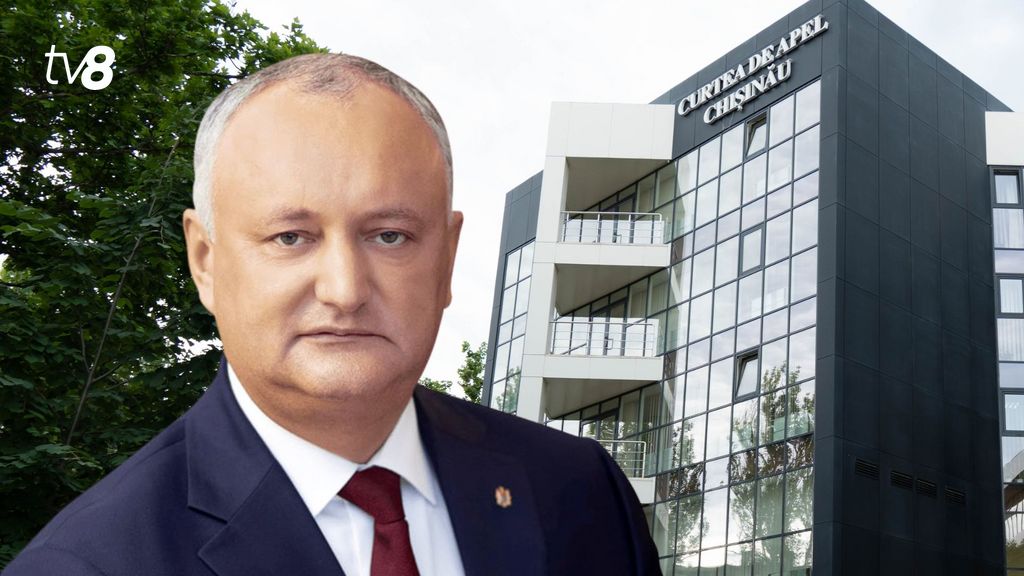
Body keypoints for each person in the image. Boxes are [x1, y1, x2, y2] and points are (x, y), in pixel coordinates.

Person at [4, 53, 659, 576]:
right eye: (291, 237)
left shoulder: (581, 493)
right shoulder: (88, 564)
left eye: (390, 236)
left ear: (447, 259)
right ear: (205, 260)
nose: (345, 290)